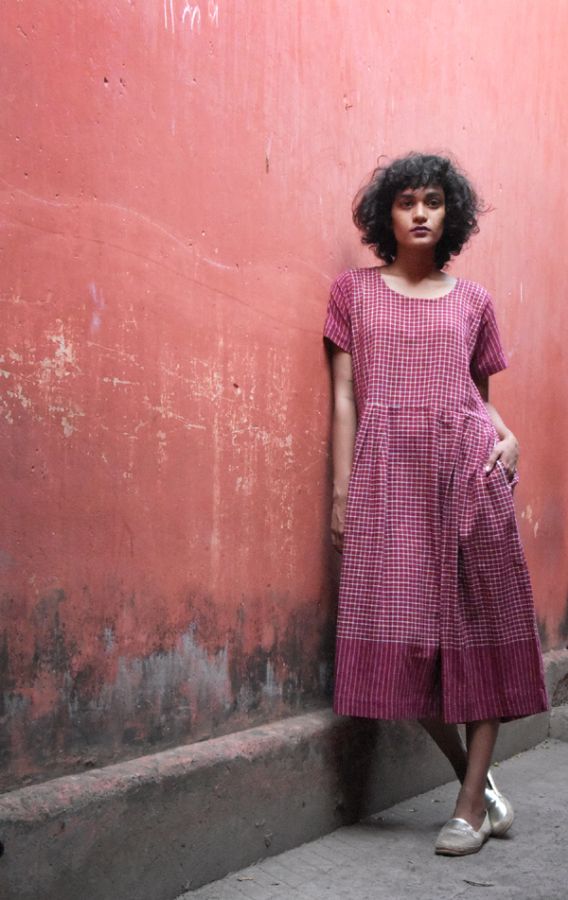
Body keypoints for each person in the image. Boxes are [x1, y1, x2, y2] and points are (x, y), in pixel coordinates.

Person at [323, 153, 548, 857]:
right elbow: (344, 397)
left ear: (452, 216)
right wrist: (341, 491)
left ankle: (468, 809)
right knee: (403, 646)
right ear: (385, 215)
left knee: (480, 636)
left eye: (433, 202)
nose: (420, 213)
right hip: (389, 484)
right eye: (406, 202)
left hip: (468, 476)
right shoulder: (352, 293)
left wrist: (509, 439)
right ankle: (479, 785)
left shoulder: (474, 300)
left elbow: (477, 400)